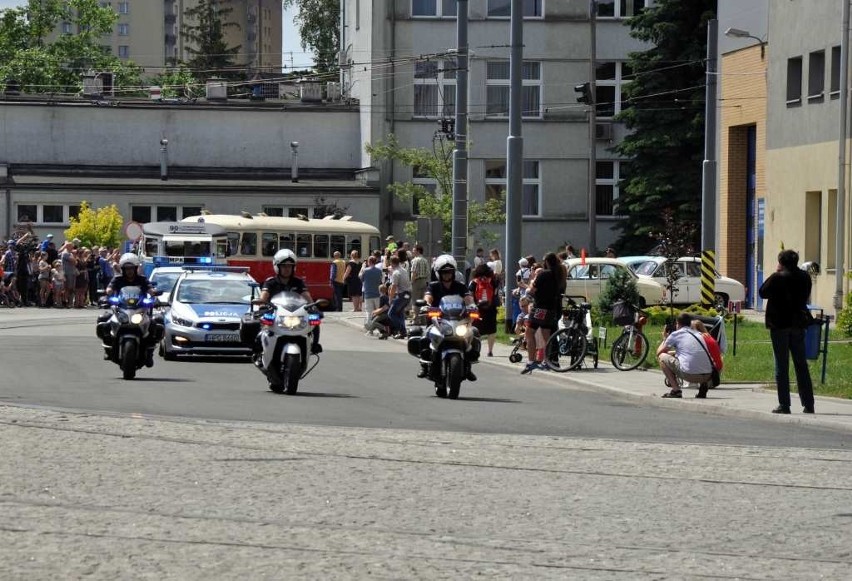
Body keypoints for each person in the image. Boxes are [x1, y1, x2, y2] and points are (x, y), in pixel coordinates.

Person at [758, 249, 815, 414]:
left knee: (781, 366)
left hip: (779, 324)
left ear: (781, 263)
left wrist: (776, 273)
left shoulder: (778, 277)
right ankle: (808, 403)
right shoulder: (805, 277)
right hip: (798, 324)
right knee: (801, 365)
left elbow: (762, 292)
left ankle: (784, 404)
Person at [253, 249, 322, 357]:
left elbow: (306, 296)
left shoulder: (298, 282)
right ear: (277, 267)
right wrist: (262, 305)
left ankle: (315, 345)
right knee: (261, 323)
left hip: (294, 315)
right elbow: (264, 296)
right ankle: (259, 349)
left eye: (290, 266)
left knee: (314, 321)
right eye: (284, 266)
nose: (287, 269)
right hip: (275, 314)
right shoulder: (270, 282)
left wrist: (314, 308)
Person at [422, 255, 478, 381]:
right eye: (444, 273)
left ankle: (468, 367)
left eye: (449, 272)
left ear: (453, 273)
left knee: (473, 334)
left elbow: (468, 298)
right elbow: (428, 296)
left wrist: (472, 305)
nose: (447, 275)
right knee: (426, 336)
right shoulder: (433, 286)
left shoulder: (460, 286)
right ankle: (425, 366)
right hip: (438, 320)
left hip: (458, 321)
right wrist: (427, 305)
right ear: (439, 274)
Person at [102, 253, 160, 366]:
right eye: (127, 269)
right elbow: (110, 287)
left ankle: (149, 353)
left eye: (131, 268)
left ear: (135, 268)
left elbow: (149, 289)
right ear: (123, 269)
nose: (129, 271)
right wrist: (108, 292)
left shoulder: (142, 279)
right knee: (105, 322)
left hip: (139, 309)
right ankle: (108, 350)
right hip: (121, 309)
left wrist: (153, 294)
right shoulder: (118, 279)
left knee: (154, 324)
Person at [520, 252, 565, 375]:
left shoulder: (544, 274)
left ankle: (531, 361)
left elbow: (532, 290)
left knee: (529, 332)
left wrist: (528, 288)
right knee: (547, 335)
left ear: (546, 262)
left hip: (540, 308)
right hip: (552, 308)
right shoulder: (559, 275)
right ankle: (547, 360)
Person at [656, 312, 714, 399]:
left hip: (690, 375)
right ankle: (703, 389)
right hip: (708, 375)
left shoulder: (676, 334)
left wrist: (665, 339)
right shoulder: (699, 334)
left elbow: (659, 353)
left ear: (677, 323)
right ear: (690, 323)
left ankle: (676, 390)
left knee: (662, 357)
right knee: (698, 355)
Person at [469, 263, 499, 357]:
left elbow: (470, 295)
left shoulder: (474, 282)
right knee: (491, 330)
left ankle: (475, 348)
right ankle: (490, 351)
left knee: (475, 329)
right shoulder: (493, 281)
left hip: (477, 308)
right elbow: (495, 294)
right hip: (491, 308)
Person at [387, 255, 412, 339]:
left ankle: (403, 330)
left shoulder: (396, 273)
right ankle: (402, 333)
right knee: (400, 313)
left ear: (391, 263)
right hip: (408, 294)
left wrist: (390, 299)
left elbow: (394, 287)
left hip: (401, 295)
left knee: (391, 314)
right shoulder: (404, 270)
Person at [359, 255, 383, 330]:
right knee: (378, 311)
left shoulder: (365, 270)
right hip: (377, 293)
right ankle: (379, 327)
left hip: (368, 294)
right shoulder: (379, 271)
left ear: (369, 262)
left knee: (369, 311)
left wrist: (362, 268)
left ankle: (370, 328)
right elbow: (380, 280)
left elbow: (361, 278)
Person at [408, 244, 430, 317]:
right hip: (424, 281)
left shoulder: (415, 260)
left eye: (414, 250)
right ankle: (422, 318)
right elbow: (427, 272)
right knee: (422, 301)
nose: (412, 251)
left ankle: (416, 318)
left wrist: (411, 282)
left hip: (416, 281)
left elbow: (414, 272)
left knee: (415, 300)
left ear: (418, 251)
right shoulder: (425, 260)